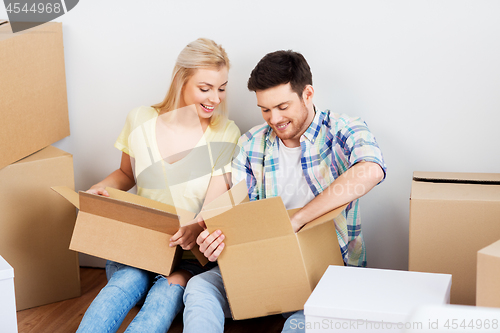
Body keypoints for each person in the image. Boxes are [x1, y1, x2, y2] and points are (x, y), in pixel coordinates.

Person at [182, 50, 387, 333]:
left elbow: (372, 170)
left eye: (282, 106)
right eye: (265, 109)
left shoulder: (344, 128)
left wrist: (297, 219)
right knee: (199, 287)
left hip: (326, 276)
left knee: (298, 325)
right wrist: (213, 237)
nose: (274, 118)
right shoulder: (252, 143)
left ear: (307, 94)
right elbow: (232, 209)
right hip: (264, 266)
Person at [76, 38, 240, 333]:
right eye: (205, 88)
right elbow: (126, 175)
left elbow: (213, 205)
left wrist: (196, 227)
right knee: (126, 282)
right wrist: (100, 190)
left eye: (222, 88)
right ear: (181, 81)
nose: (215, 98)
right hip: (140, 248)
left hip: (189, 261)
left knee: (165, 294)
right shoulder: (140, 119)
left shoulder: (225, 133)